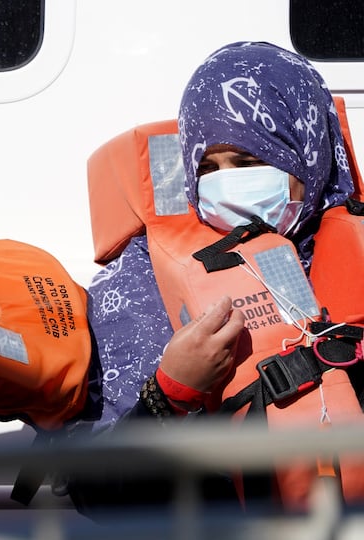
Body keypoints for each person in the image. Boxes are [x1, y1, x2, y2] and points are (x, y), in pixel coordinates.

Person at [79, 41, 364, 511]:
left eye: (248, 163)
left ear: (307, 155)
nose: (226, 185)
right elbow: (96, 492)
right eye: (207, 168)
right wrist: (168, 393)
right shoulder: (136, 286)